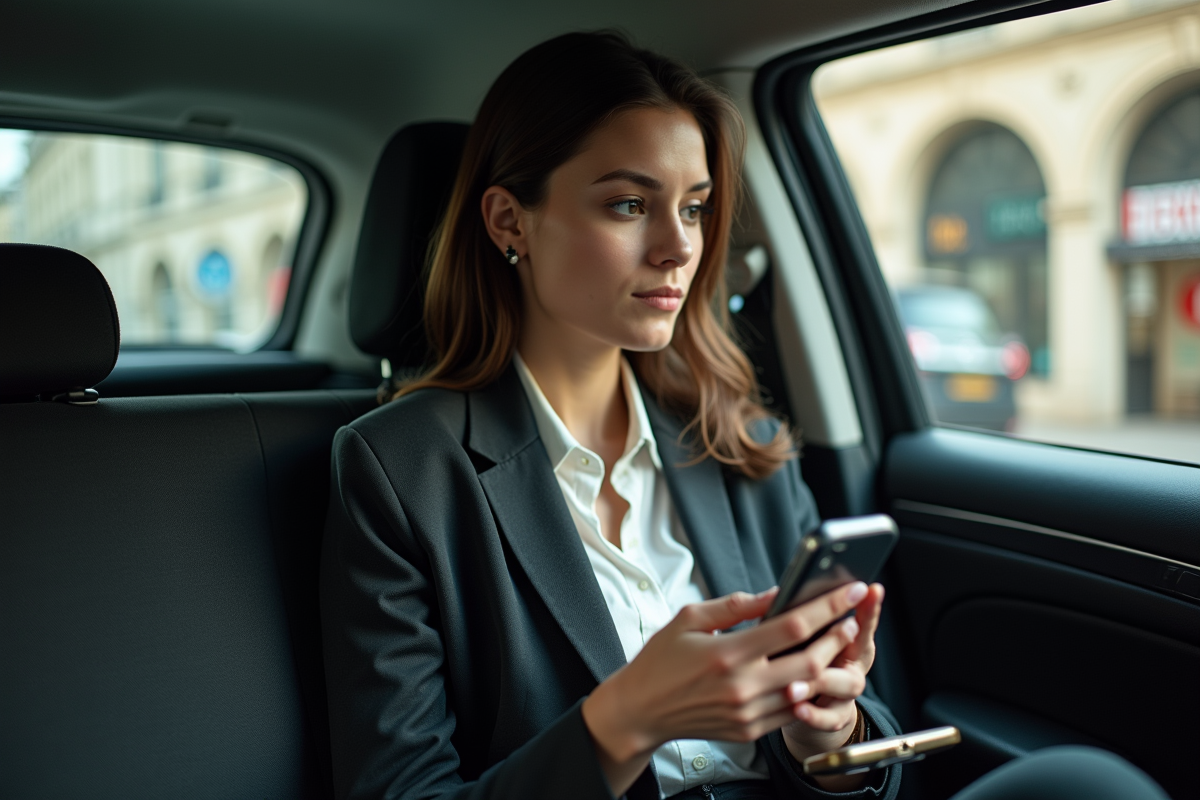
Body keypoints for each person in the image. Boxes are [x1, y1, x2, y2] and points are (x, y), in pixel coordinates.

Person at [319, 31, 1168, 800]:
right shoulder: (400, 472)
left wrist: (824, 728)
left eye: (692, 207)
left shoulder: (742, 440)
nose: (679, 245)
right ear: (511, 221)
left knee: (1087, 783)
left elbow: (863, 758)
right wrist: (624, 722)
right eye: (628, 204)